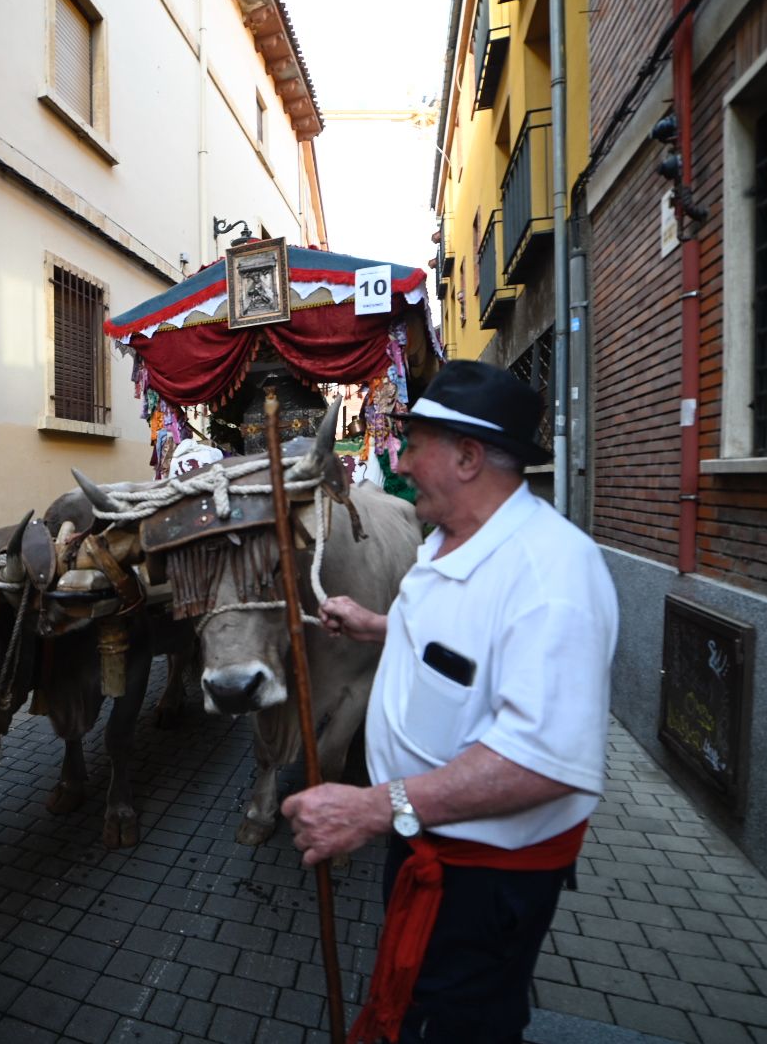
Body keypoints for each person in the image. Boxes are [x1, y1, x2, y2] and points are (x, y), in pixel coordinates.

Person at [282, 360, 619, 1044]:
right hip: (424, 843)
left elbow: (544, 763)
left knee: (464, 1019)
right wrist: (381, 625)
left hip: (480, 881)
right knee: (422, 999)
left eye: (413, 445)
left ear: (467, 456)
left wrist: (374, 807)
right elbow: (455, 648)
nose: (398, 461)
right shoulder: (444, 542)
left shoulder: (551, 573)